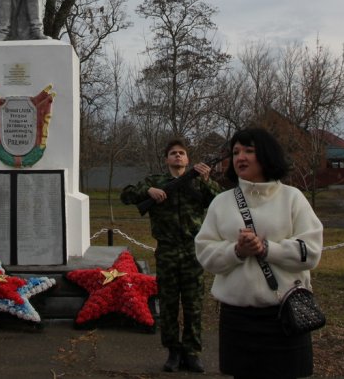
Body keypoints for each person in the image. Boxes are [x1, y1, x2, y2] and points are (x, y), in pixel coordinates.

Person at [194, 128, 324, 379]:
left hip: (284, 315)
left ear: (266, 155)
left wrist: (268, 249)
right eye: (235, 152)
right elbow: (205, 252)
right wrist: (237, 251)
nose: (240, 157)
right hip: (238, 318)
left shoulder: (292, 198)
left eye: (249, 151)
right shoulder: (221, 202)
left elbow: (312, 251)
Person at [121, 139, 221, 373]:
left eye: (182, 153)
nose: (177, 156)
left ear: (188, 160)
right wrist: (148, 191)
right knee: (167, 306)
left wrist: (206, 180)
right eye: (173, 153)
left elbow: (219, 201)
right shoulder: (155, 181)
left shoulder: (199, 181)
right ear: (167, 159)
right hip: (166, 251)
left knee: (193, 305)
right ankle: (173, 352)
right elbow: (126, 195)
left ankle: (192, 353)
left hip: (192, 252)